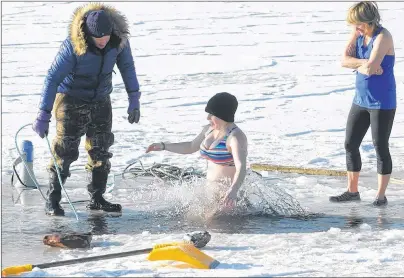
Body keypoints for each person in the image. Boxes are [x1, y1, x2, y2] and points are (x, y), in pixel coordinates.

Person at [32, 3, 141, 216]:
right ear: (88, 34)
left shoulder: (118, 41)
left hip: (101, 99)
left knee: (101, 148)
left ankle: (97, 198)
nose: (103, 42)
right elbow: (52, 78)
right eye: (98, 38)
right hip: (71, 99)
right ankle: (53, 201)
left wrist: (134, 97)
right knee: (65, 151)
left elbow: (127, 67)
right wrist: (43, 114)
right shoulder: (73, 46)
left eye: (106, 37)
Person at [329, 1, 396, 206]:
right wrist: (363, 63)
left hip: (382, 102)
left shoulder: (383, 37)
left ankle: (381, 196)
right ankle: (352, 191)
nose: (354, 28)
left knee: (380, 147)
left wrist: (364, 65)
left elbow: (371, 67)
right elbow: (344, 60)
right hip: (360, 99)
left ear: (367, 21)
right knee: (350, 144)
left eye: (357, 23)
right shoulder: (358, 34)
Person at [146, 92, 248, 213]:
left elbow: (241, 167)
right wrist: (164, 146)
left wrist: (233, 190)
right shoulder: (209, 130)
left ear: (223, 115)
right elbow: (190, 146)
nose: (208, 117)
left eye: (212, 114)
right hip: (209, 193)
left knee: (214, 227)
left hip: (227, 198)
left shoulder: (235, 137)